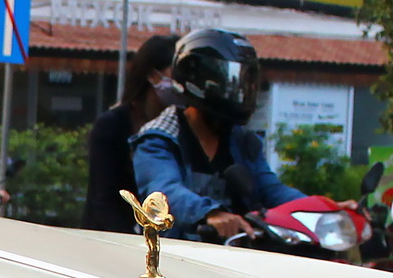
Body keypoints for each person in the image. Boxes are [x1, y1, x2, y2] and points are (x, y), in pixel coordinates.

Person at [128, 29, 306, 240]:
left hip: (237, 255)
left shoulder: (241, 140)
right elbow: (162, 191)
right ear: (200, 79)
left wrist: (320, 209)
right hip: (175, 257)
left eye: (243, 79)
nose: (239, 90)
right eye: (230, 78)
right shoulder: (157, 139)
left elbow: (272, 190)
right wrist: (209, 213)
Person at [83, 34, 178, 233]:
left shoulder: (183, 126)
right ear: (152, 75)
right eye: (176, 73)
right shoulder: (112, 126)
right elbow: (106, 199)